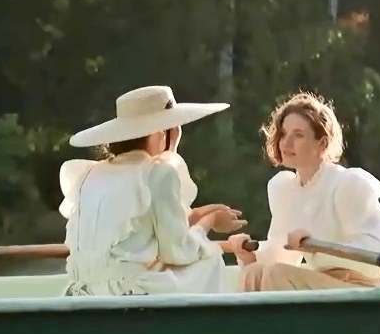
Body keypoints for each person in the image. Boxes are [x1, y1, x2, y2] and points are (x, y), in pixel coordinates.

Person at [58, 84, 247, 296]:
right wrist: (209, 222)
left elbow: (147, 223)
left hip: (85, 290)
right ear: (161, 131)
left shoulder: (89, 174)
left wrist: (199, 213)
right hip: (129, 292)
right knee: (210, 260)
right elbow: (177, 251)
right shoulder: (157, 173)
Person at [233, 91, 380, 292]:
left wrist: (316, 246)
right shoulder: (284, 189)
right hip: (321, 283)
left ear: (322, 142)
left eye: (298, 135)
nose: (286, 143)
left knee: (275, 275)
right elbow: (281, 256)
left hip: (360, 287)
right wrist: (249, 256)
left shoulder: (347, 184)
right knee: (253, 272)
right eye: (283, 133)